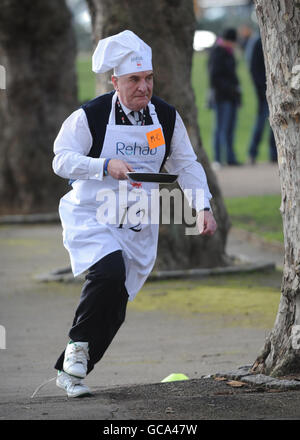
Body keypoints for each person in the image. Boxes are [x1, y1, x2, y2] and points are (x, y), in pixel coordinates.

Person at [52, 30, 217, 398]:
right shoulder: (90, 116)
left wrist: (202, 206)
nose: (144, 87)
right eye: (134, 80)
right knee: (107, 272)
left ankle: (72, 373)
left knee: (115, 307)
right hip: (93, 215)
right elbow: (61, 159)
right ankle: (77, 346)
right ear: (115, 82)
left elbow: (187, 165)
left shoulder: (166, 120)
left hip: (139, 223)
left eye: (148, 78)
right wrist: (103, 164)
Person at [207, 28, 242, 168]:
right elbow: (214, 77)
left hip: (232, 97)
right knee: (220, 128)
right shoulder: (218, 53)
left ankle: (230, 157)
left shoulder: (229, 53)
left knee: (230, 129)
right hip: (222, 97)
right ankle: (217, 158)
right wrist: (229, 88)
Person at [246, 35, 277, 164]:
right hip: (263, 91)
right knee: (261, 123)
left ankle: (274, 155)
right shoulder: (258, 42)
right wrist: (262, 89)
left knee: (275, 123)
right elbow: (254, 68)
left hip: (275, 90)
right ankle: (252, 153)